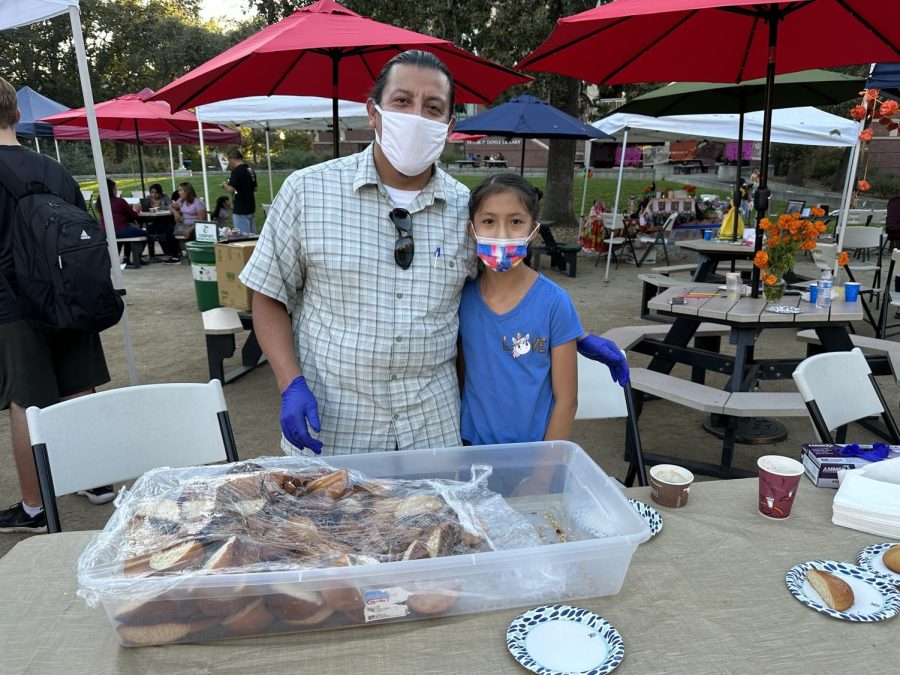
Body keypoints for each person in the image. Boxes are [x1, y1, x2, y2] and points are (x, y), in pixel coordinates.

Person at [240, 50, 476, 456]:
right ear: (373, 112)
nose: (416, 117)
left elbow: (489, 307)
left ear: (449, 126)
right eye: (402, 102)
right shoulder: (306, 191)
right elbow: (268, 295)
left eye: (433, 108)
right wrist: (289, 382)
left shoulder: (467, 210)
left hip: (434, 429)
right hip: (334, 427)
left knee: (428, 522)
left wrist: (565, 332)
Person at [0, 76, 113, 534]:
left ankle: (35, 508)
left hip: (12, 307)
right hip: (73, 297)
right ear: (18, 114)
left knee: (27, 402)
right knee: (77, 387)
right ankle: (93, 481)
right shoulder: (56, 171)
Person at [458, 173, 581, 453]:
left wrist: (543, 470)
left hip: (534, 454)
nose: (501, 234)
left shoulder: (555, 303)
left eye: (515, 222)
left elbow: (567, 400)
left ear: (533, 229)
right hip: (471, 450)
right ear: (472, 229)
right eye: (488, 221)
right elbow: (463, 375)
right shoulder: (461, 300)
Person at [97, 178, 145, 267]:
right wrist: (136, 210)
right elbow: (132, 215)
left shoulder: (99, 202)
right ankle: (137, 257)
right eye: (115, 188)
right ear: (112, 190)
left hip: (105, 231)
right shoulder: (119, 201)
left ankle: (126, 258)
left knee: (129, 231)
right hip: (120, 229)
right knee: (144, 234)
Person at [139, 182, 181, 264]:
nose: (153, 194)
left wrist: (159, 207)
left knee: (166, 229)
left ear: (159, 192)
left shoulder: (165, 198)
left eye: (155, 192)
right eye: (152, 192)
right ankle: (140, 255)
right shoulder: (148, 199)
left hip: (166, 219)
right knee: (147, 231)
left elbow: (171, 205)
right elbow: (143, 206)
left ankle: (172, 252)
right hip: (153, 219)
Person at [221, 149, 257, 235]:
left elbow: (231, 189)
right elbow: (255, 188)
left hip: (240, 207)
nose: (229, 163)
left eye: (229, 160)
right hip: (251, 205)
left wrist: (224, 185)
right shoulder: (250, 170)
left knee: (243, 235)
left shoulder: (236, 171)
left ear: (233, 159)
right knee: (252, 234)